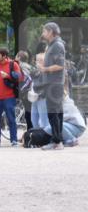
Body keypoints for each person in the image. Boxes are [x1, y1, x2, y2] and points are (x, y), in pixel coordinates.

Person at [38, 22, 67, 150]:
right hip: (53, 83)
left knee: (53, 113)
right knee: (56, 113)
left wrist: (44, 69)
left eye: (45, 31)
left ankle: (57, 141)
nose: (43, 33)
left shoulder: (57, 45)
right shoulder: (52, 45)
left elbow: (60, 65)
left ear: (51, 32)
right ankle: (58, 140)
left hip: (54, 84)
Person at [0, 48, 22, 147]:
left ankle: (14, 140)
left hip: (9, 97)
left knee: (11, 118)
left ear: (4, 56)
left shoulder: (13, 64)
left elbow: (19, 77)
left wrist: (8, 76)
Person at [15, 50, 35, 132]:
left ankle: (30, 132)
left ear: (19, 57)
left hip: (27, 93)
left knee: (28, 113)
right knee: (29, 113)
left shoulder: (22, 66)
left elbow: (28, 79)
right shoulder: (28, 66)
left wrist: (22, 89)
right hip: (29, 92)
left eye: (17, 55)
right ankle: (29, 132)